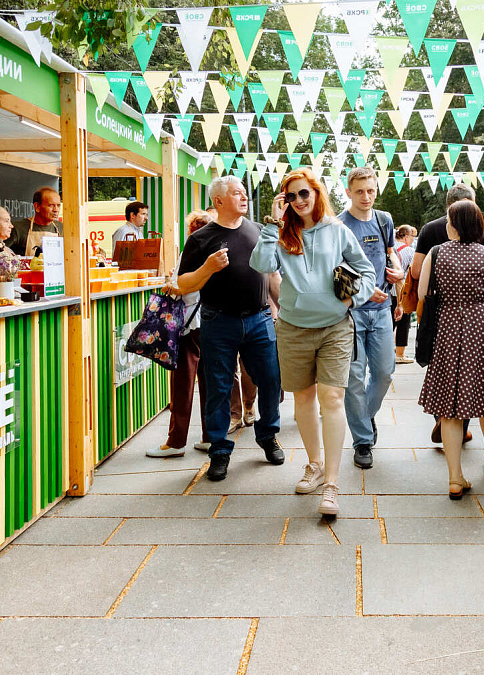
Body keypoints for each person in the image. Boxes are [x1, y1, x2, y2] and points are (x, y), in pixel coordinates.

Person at [251, 169, 375, 516]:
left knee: (332, 398)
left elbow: (366, 272)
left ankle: (332, 484)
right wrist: (272, 224)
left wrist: (352, 300)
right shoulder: (281, 233)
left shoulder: (337, 231)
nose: (299, 201)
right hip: (293, 327)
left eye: (304, 193)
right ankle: (315, 464)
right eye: (291, 197)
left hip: (335, 326)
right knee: (303, 399)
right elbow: (259, 263)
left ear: (316, 193)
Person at [176, 175, 284, 481]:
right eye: (236, 193)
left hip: (260, 318)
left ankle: (267, 435)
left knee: (271, 381)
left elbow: (272, 276)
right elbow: (183, 283)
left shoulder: (259, 231)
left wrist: (284, 309)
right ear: (218, 201)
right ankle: (219, 452)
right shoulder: (201, 238)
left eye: (244, 192)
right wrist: (208, 268)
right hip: (218, 321)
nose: (244, 197)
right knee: (219, 389)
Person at [417, 200, 484, 499]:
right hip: (480, 329)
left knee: (449, 406)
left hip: (447, 328)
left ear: (454, 224)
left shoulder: (436, 252)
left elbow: (422, 292)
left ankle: (455, 478)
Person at [339, 166, 404, 469]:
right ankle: (362, 440)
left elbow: (390, 252)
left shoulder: (384, 219)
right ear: (348, 191)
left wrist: (398, 270)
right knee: (353, 378)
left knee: (384, 372)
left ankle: (364, 416)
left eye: (371, 190)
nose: (366, 197)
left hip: (382, 312)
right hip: (350, 313)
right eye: (360, 191)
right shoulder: (339, 225)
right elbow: (333, 273)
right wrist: (362, 293)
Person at [412, 183, 479, 445]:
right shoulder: (477, 229)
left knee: (439, 367)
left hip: (436, 311)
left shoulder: (430, 229)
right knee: (467, 368)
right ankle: (461, 427)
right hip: (471, 313)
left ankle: (442, 417)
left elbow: (417, 272)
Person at [147, 210, 213, 458]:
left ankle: (176, 442)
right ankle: (210, 437)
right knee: (210, 384)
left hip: (187, 325)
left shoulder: (191, 252)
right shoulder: (217, 253)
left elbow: (179, 287)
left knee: (182, 384)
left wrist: (169, 286)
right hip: (211, 323)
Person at [6, 187, 62, 256]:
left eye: (58, 205)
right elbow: (0, 253)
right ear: (37, 207)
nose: (56, 210)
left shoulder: (61, 228)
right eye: (51, 205)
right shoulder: (17, 228)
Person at [391, 225, 417, 364]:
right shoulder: (410, 251)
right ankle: (399, 354)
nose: (412, 240)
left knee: (389, 323)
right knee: (403, 324)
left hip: (388, 292)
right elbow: (413, 272)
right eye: (412, 237)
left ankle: (386, 352)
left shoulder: (389, 249)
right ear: (406, 236)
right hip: (403, 292)